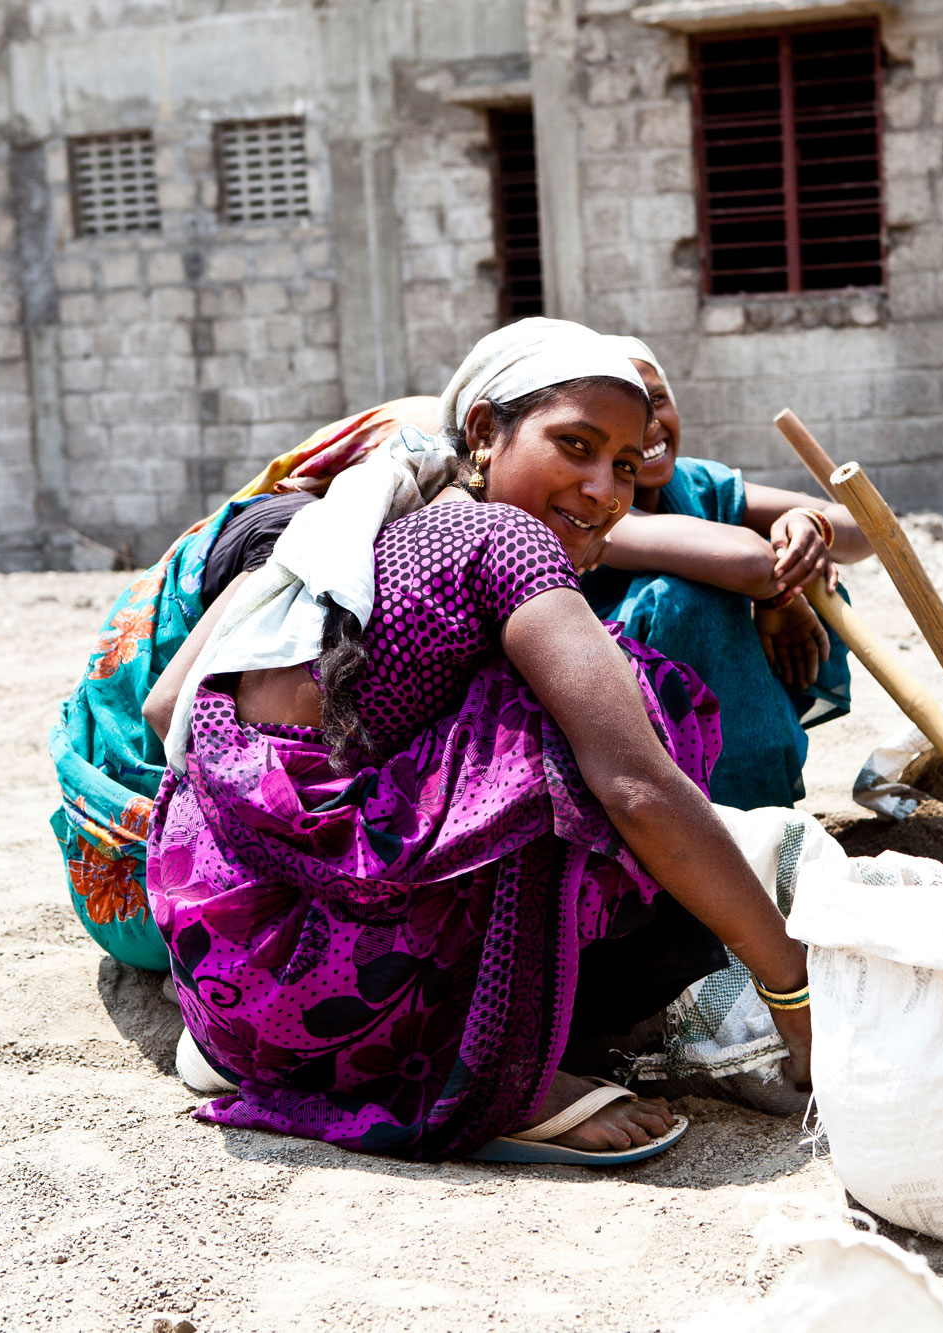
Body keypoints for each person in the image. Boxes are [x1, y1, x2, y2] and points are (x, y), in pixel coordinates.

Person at [140, 319, 814, 1163]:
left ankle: (320, 1044)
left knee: (542, 711)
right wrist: (793, 994)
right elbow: (637, 789)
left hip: (224, 976)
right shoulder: (509, 542)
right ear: (486, 432)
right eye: (576, 445)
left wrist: (351, 818)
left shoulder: (350, 530)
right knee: (626, 712)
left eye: (627, 467)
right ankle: (503, 1078)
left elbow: (169, 708)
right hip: (326, 998)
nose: (606, 489)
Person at [48, 398, 440, 971]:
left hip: (111, 867)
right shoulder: (288, 536)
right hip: (151, 889)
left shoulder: (324, 540)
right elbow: (165, 711)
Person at [579, 337, 871, 809]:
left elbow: (862, 527)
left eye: (656, 401)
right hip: (620, 714)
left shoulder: (696, 482)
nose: (649, 426)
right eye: (625, 413)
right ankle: (714, 813)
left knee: (811, 565)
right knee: (692, 598)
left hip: (717, 695)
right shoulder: (592, 501)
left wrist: (808, 524)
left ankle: (763, 792)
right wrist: (782, 597)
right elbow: (747, 563)